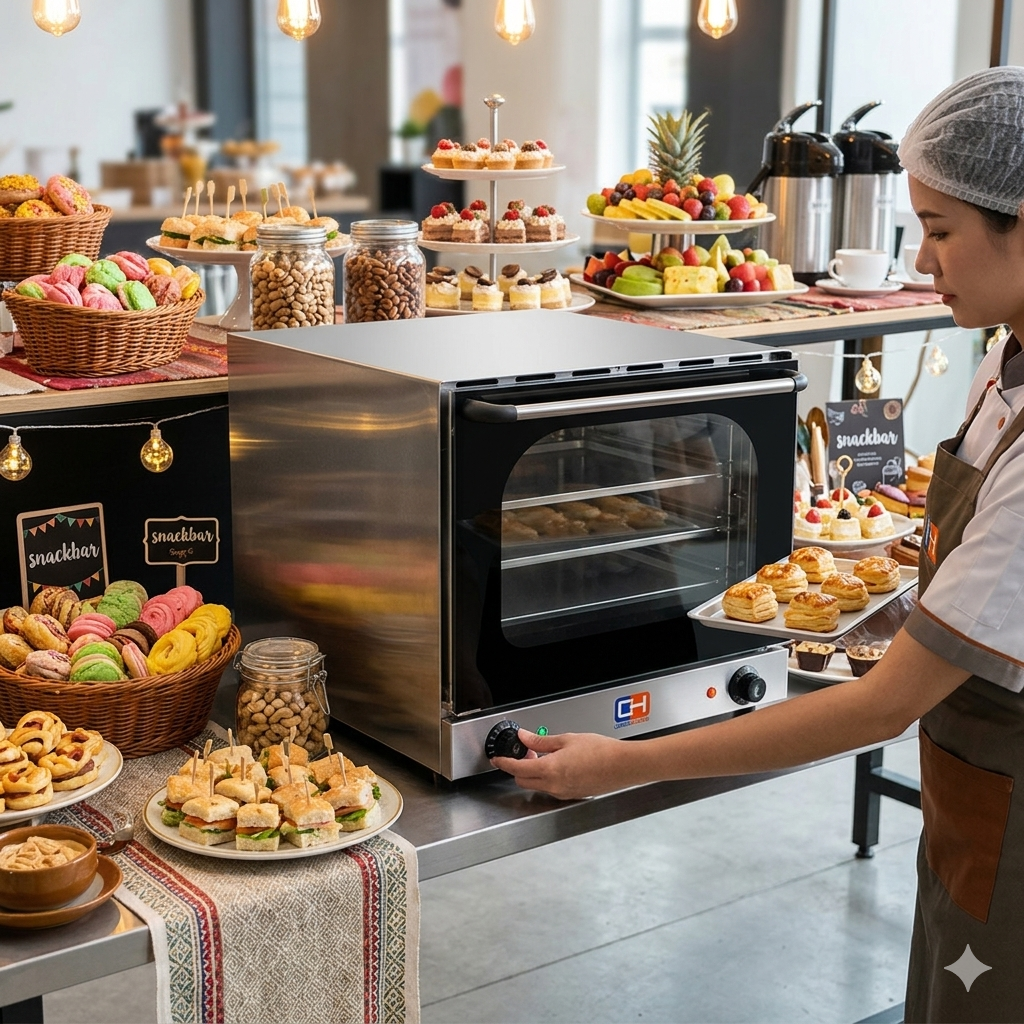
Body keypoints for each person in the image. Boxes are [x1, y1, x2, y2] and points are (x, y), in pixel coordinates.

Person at [494, 66, 1024, 1023]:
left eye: (940, 232)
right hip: (978, 792)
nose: (923, 259)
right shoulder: (1004, 355)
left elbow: (882, 711)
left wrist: (622, 758)